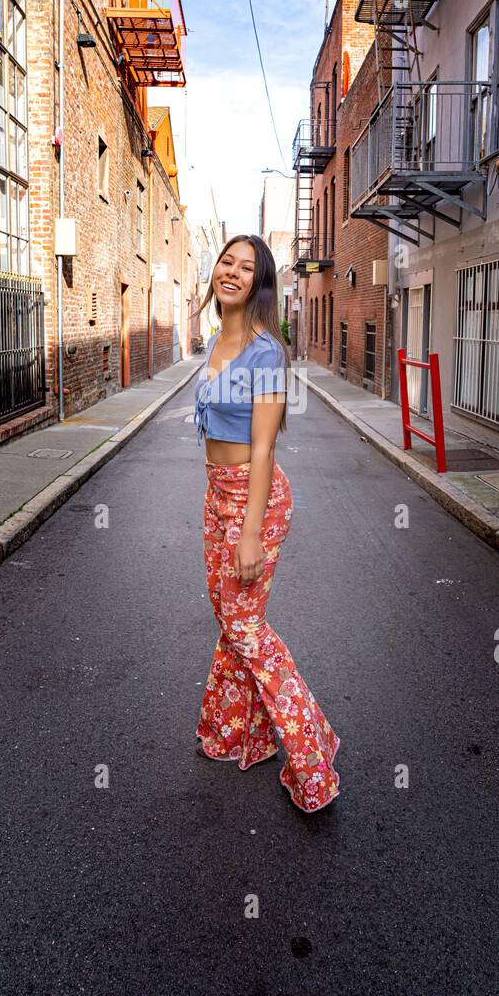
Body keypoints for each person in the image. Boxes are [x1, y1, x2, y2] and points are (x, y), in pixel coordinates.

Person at [191, 234, 340, 814]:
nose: (231, 272)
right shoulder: (213, 342)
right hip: (216, 496)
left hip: (257, 502)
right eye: (226, 261)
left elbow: (263, 448)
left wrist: (249, 529)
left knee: (247, 629)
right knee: (231, 618)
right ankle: (233, 732)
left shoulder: (265, 351)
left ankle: (311, 755)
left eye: (246, 267)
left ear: (260, 283)